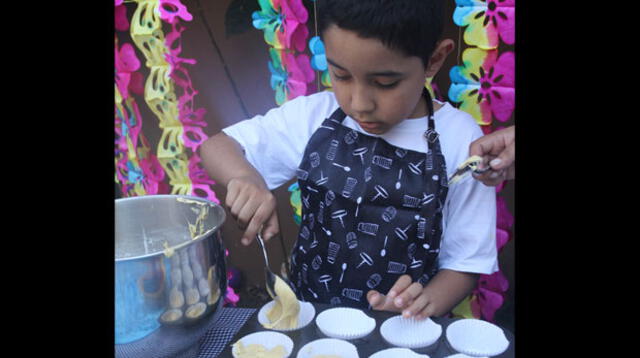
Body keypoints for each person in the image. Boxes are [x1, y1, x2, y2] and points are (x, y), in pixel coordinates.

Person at [200, 0, 497, 320]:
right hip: (308, 317)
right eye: (340, 75)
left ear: (434, 59)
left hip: (401, 331)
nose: (359, 104)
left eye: (385, 83)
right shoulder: (314, 116)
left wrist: (424, 303)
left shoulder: (460, 137)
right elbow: (218, 147)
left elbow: (466, 263)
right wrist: (244, 177)